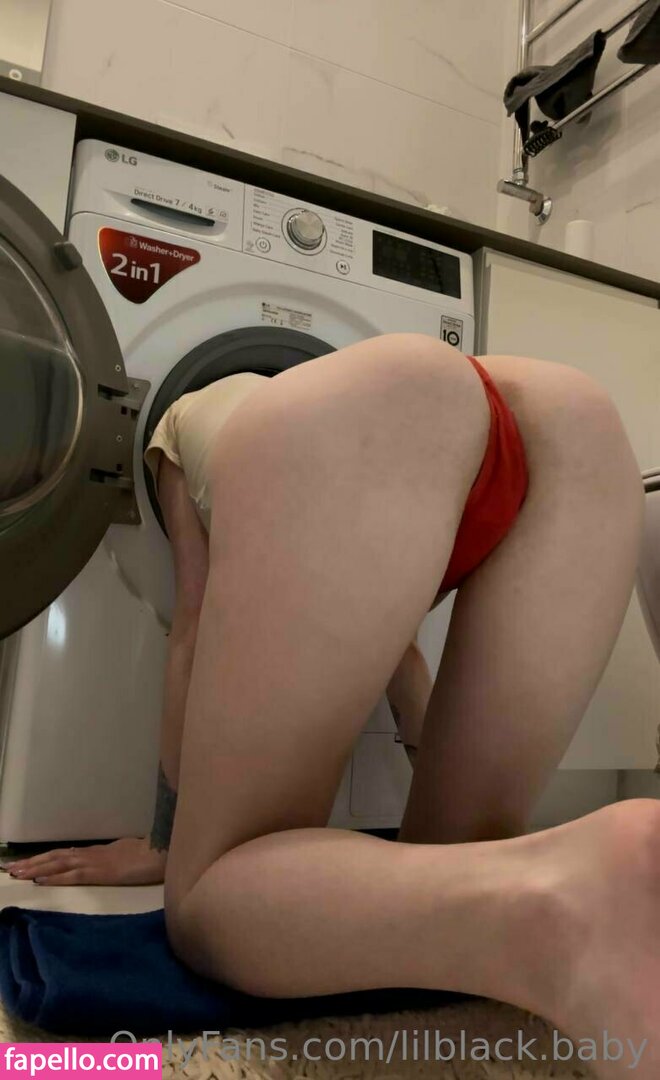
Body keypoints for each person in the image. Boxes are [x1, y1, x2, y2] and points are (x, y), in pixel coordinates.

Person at [9, 334, 658, 1078]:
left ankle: (573, 898)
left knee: (210, 900)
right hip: (577, 425)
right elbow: (397, 653)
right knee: (455, 878)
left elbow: (192, 627)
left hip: (394, 414)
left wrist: (165, 844)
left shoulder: (174, 429)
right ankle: (590, 887)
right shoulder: (334, 401)